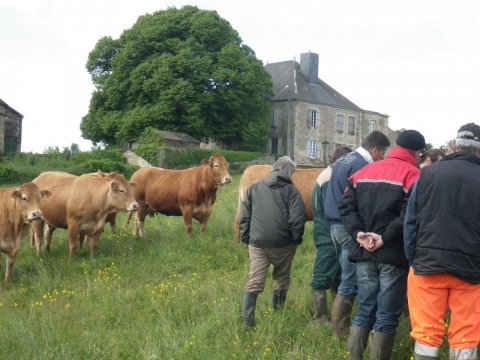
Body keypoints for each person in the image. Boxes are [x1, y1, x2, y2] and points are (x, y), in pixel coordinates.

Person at [339, 129, 426, 359]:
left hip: (364, 251)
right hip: (392, 255)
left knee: (365, 310)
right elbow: (410, 217)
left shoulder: (363, 171)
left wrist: (358, 233)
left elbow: (346, 207)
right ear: (417, 152)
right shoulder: (414, 175)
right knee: (387, 316)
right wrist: (384, 238)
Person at [404, 123, 480, 360]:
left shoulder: (427, 174)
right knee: (466, 335)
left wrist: (413, 260)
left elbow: (410, 222)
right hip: (471, 271)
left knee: (426, 335)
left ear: (454, 145)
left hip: (427, 266)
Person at [325, 130, 391, 337]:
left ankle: (339, 328)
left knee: (346, 276)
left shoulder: (344, 159)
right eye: (383, 153)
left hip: (334, 225)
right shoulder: (362, 165)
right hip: (348, 227)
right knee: (350, 279)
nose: (383, 157)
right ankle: (340, 331)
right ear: (374, 150)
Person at [239, 156, 307, 329]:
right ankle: (278, 315)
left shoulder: (253, 188)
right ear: (289, 172)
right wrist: (295, 240)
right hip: (282, 244)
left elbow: (244, 217)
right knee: (282, 279)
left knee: (254, 281)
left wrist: (246, 239)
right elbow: (297, 220)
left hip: (257, 243)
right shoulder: (292, 191)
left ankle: (248, 323)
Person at [310, 145, 352, 322]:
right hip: (328, 230)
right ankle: (320, 317)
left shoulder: (330, 173)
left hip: (328, 228)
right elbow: (333, 208)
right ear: (342, 160)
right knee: (323, 272)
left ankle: (337, 316)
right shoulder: (330, 177)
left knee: (337, 274)